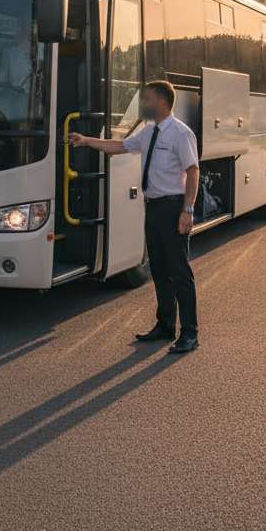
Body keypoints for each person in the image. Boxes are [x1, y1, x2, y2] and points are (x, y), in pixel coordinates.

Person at [69, 80, 200, 353]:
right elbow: (119, 146)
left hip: (173, 207)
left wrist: (187, 210)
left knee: (179, 272)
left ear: (162, 102)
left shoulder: (180, 133)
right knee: (160, 271)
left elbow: (193, 171)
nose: (144, 105)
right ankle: (165, 326)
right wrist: (86, 142)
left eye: (148, 99)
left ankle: (189, 333)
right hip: (152, 207)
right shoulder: (149, 132)